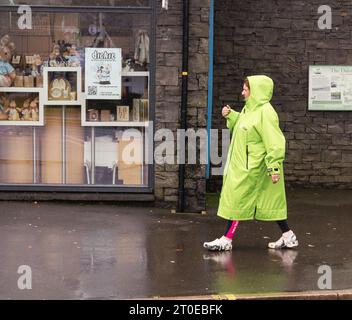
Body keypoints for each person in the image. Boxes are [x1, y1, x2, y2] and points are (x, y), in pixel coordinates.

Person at [204, 75, 298, 251]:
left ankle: (226, 239)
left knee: (238, 199)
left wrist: (274, 166)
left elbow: (275, 141)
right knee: (270, 202)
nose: (242, 93)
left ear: (256, 92)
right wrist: (231, 115)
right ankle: (288, 235)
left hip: (254, 167)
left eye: (246, 90)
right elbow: (244, 126)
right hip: (245, 164)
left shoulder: (266, 112)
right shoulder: (250, 109)